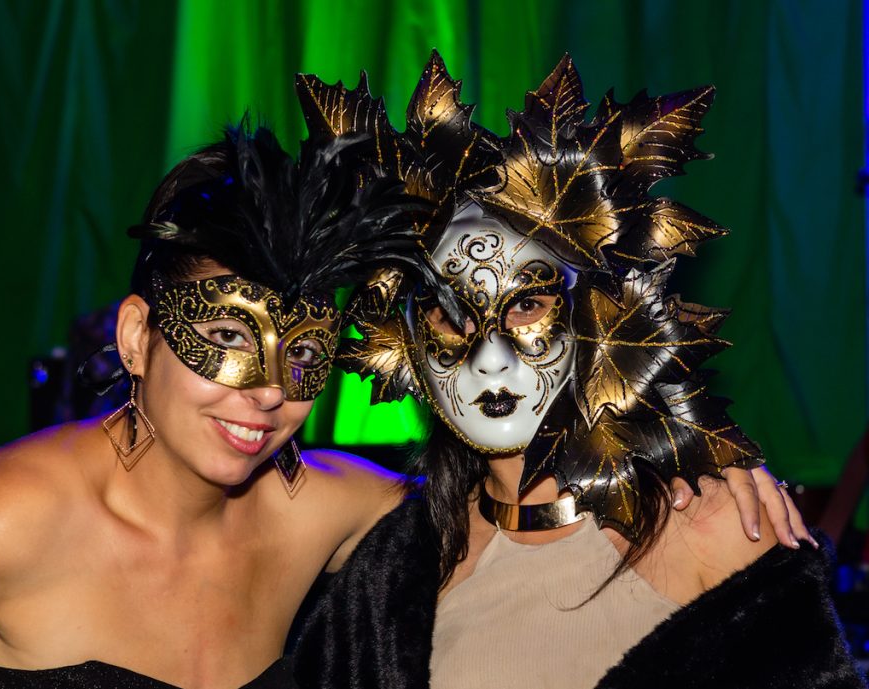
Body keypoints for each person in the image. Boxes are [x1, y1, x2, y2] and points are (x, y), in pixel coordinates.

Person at [290, 53, 865, 688]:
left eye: (527, 305)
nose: (490, 356)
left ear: (598, 316)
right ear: (407, 342)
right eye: (451, 316)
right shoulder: (396, 557)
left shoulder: (714, 527)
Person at [0, 125, 433, 689]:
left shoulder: (315, 513)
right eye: (228, 336)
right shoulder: (11, 521)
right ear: (134, 338)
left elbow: (475, 526)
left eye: (302, 350)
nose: (270, 392)